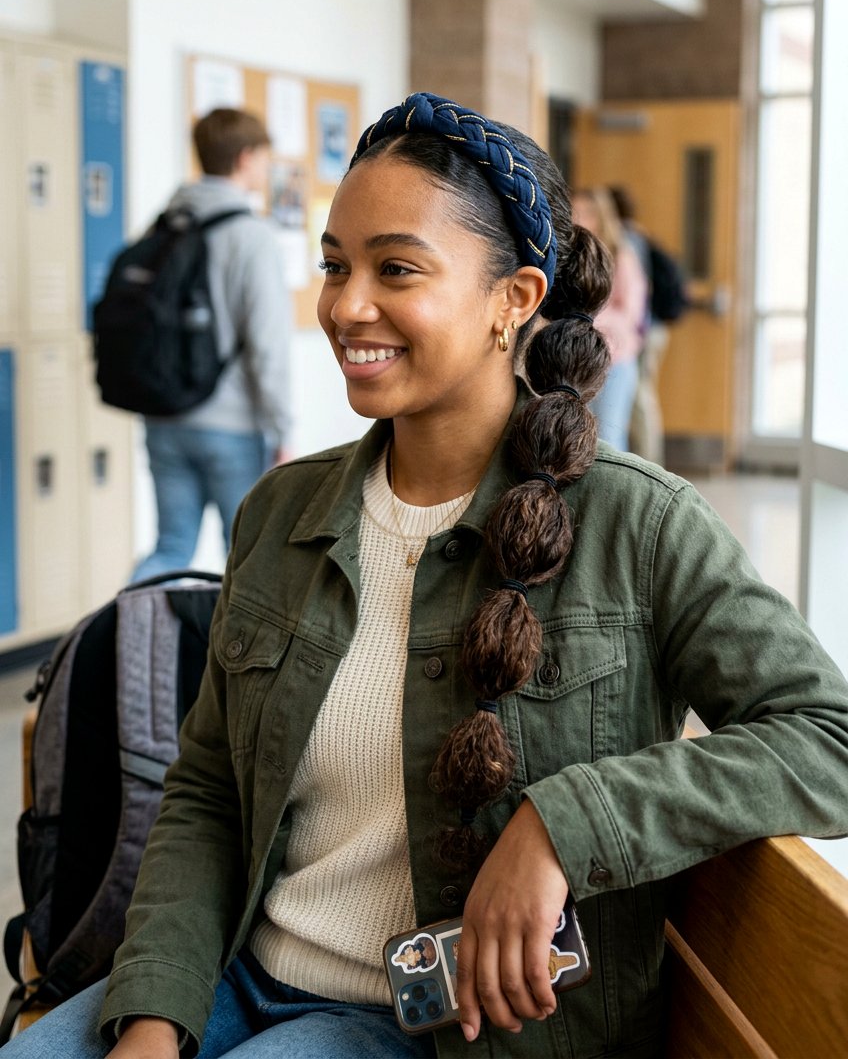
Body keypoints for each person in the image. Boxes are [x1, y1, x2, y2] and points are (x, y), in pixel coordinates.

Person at [7, 92, 847, 1059]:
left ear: (515, 301)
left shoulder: (637, 523)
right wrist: (152, 1020)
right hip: (231, 972)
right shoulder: (282, 515)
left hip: (429, 1026)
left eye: (395, 269)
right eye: (334, 265)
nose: (345, 306)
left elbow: (829, 735)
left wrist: (565, 822)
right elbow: (206, 792)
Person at [130, 108, 293, 582]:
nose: (266, 168)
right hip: (232, 426)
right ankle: (229, 658)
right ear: (245, 158)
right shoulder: (251, 236)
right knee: (245, 554)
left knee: (169, 548)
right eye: (264, 157)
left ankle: (125, 647)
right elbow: (267, 346)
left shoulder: (162, 226)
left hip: (164, 417)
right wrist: (282, 428)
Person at [570, 188, 647, 452]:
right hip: (576, 358)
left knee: (609, 437)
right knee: (580, 436)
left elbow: (629, 314)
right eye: (574, 212)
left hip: (615, 358)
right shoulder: (570, 259)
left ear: (602, 217)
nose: (579, 220)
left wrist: (585, 318)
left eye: (587, 214)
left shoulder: (621, 256)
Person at [608, 186, 671, 466]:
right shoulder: (637, 234)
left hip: (641, 330)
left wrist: (633, 334)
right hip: (646, 328)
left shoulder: (625, 240)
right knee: (638, 396)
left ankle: (648, 465)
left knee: (639, 396)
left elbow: (636, 291)